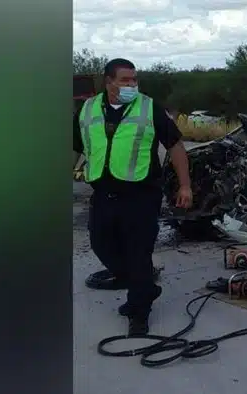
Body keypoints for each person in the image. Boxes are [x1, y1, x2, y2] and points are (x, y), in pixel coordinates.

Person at [72, 58, 193, 335]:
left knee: (139, 254)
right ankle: (145, 287)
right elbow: (76, 146)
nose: (131, 85)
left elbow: (174, 146)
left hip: (141, 195)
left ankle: (139, 312)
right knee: (101, 244)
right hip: (104, 193)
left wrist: (184, 185)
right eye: (125, 80)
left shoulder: (149, 107)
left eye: (134, 80)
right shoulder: (88, 110)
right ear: (108, 81)